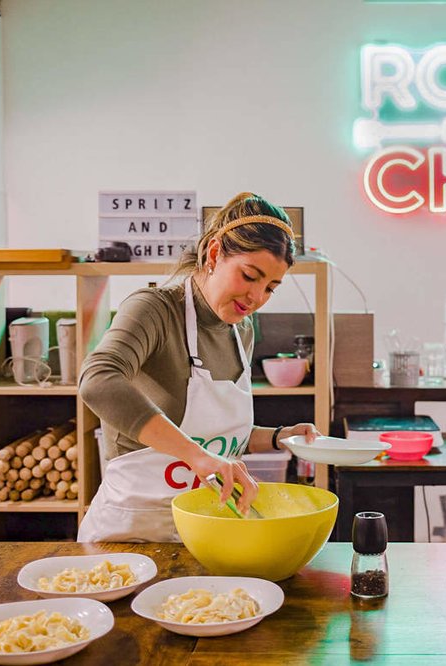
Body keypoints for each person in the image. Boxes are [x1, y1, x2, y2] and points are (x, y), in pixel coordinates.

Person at [77, 192, 320, 542]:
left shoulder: (241, 330)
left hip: (209, 531)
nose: (257, 298)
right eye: (249, 276)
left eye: (271, 287)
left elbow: (218, 440)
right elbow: (98, 380)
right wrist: (196, 457)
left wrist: (281, 436)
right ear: (215, 253)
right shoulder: (155, 310)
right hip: (134, 535)